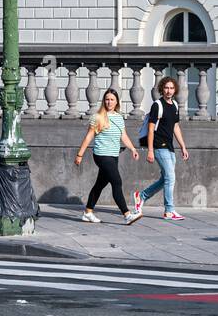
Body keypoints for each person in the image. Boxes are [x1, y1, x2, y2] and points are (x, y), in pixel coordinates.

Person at [75, 89, 143, 224]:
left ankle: (88, 212)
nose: (109, 102)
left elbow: (123, 136)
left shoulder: (119, 117)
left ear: (116, 101)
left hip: (113, 155)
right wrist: (80, 154)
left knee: (100, 184)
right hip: (101, 155)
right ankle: (127, 214)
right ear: (103, 101)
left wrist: (132, 149)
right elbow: (89, 136)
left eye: (112, 99)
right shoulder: (98, 117)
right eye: (107, 99)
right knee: (116, 182)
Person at [134, 76, 189, 220]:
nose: (169, 91)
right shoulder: (157, 105)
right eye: (166, 88)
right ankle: (169, 210)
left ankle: (141, 196)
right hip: (158, 146)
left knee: (165, 178)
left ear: (175, 89)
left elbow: (176, 127)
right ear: (162, 89)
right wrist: (150, 150)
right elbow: (151, 129)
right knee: (170, 177)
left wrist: (183, 146)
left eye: (171, 88)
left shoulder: (175, 105)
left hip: (170, 147)